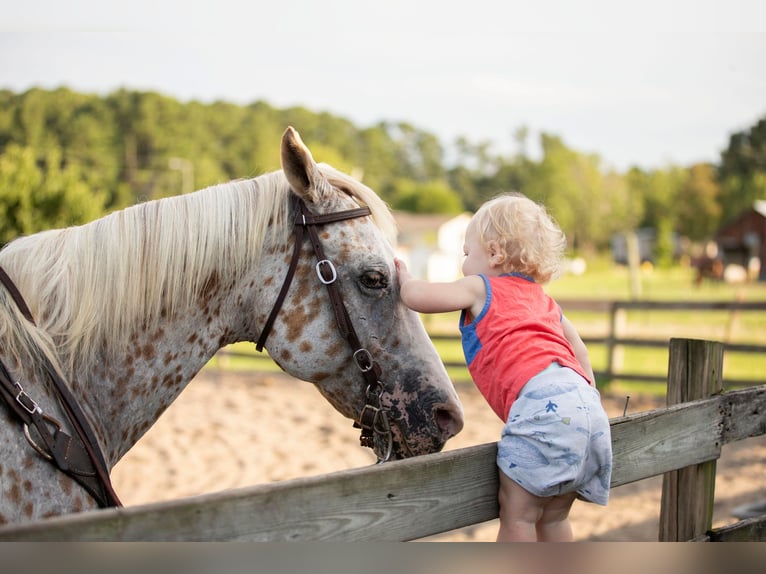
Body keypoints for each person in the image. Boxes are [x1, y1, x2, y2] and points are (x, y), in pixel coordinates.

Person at [396, 192, 612, 542]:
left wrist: (404, 277)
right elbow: (580, 352)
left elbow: (417, 299)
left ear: (494, 253)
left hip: (542, 407)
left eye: (467, 254)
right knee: (554, 519)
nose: (463, 264)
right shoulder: (545, 301)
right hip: (587, 410)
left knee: (519, 517)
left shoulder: (481, 287)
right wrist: (587, 399)